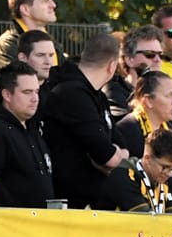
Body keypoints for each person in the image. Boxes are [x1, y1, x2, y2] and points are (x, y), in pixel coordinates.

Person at [42, 32, 129, 209]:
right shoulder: (71, 94)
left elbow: (122, 147)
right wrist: (113, 156)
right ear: (111, 66)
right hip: (73, 203)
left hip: (95, 200)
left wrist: (113, 155)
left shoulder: (98, 96)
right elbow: (108, 157)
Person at [0, 63, 53, 209]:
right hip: (12, 220)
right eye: (27, 92)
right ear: (7, 95)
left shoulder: (33, 128)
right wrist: (13, 213)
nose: (35, 98)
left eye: (36, 92)